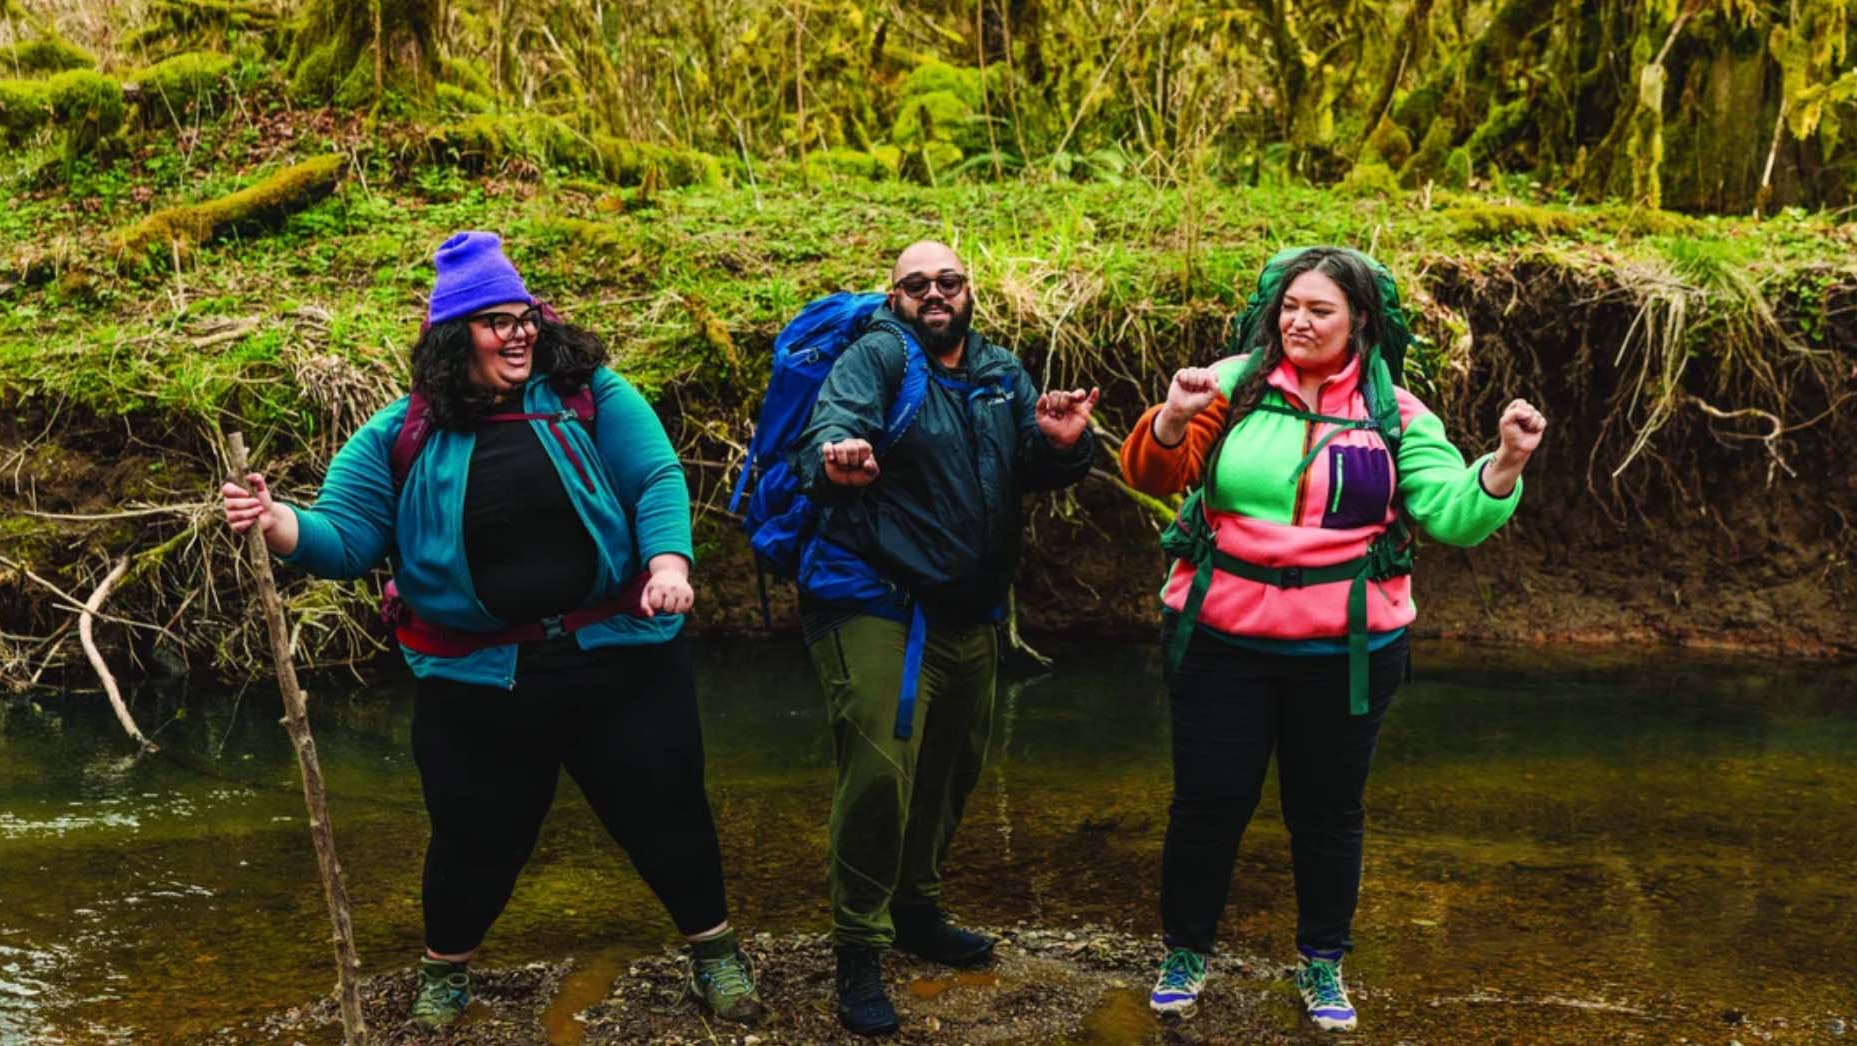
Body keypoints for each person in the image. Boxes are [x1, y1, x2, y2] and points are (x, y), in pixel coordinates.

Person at [219, 231, 764, 1031]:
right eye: (496, 322)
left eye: (525, 317)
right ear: (452, 340)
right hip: (475, 678)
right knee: (475, 838)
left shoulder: (592, 395)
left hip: (618, 659)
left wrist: (668, 566)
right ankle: (446, 975)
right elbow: (345, 537)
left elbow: (654, 478)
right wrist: (273, 521)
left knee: (666, 811)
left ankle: (716, 955)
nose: (520, 334)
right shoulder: (397, 435)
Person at [1118, 247, 1545, 1033]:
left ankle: (1321, 963)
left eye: (1320, 310)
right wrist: (1174, 414)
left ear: (1358, 324)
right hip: (1219, 638)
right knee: (1209, 803)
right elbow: (1153, 470)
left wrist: (1504, 465)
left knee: (1327, 811)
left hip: (1348, 652)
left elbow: (1451, 510)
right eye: (1290, 307)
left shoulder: (1395, 413)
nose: (1298, 322)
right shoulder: (1235, 384)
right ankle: (1186, 952)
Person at [793, 241, 1099, 1034]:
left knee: (951, 770)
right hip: (874, 598)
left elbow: (1022, 467)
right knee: (879, 774)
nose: (936, 294)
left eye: (950, 282)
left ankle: (916, 912)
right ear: (894, 296)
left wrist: (1061, 442)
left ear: (971, 292)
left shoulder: (1001, 371)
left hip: (969, 609)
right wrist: (841, 460)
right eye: (917, 284)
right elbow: (826, 437)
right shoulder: (875, 358)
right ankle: (859, 949)